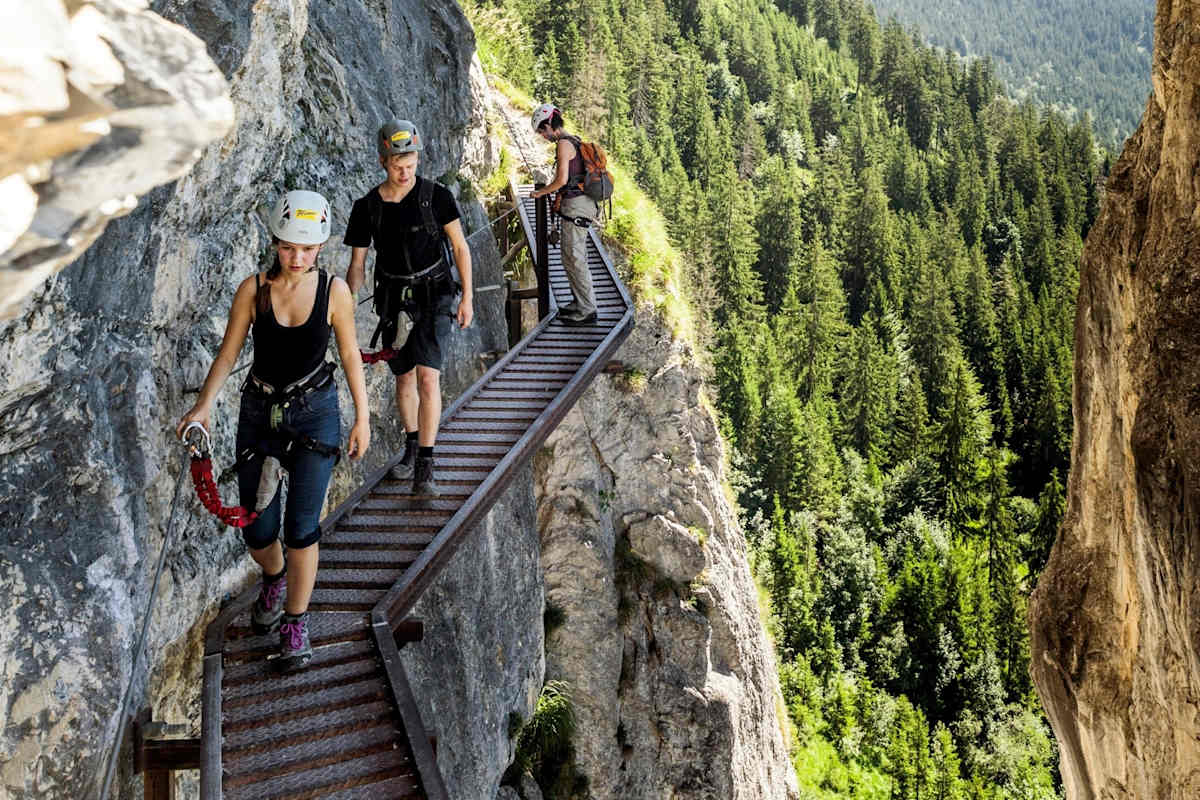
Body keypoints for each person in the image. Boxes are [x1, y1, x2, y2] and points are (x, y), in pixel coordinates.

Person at [177, 189, 370, 673]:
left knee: (301, 529)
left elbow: (349, 356)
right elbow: (227, 353)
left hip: (314, 412)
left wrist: (362, 416)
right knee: (260, 532)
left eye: (306, 249)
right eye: (288, 247)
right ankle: (275, 575)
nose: (297, 257)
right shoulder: (254, 290)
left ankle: (295, 624)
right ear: (275, 241)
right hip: (260, 412)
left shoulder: (334, 292)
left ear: (321, 247)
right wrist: (203, 407)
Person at [345, 118, 473, 495]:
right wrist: (346, 306)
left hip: (436, 294)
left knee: (427, 376)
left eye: (412, 164)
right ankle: (412, 444)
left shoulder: (437, 196)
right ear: (384, 161)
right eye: (399, 165)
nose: (406, 172)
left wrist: (468, 296)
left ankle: (425, 466)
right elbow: (357, 266)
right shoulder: (366, 207)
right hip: (394, 300)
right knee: (403, 377)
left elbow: (460, 246)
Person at [529, 102, 598, 326]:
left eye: (542, 130)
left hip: (576, 206)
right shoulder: (575, 140)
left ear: (550, 124)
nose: (542, 135)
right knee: (570, 257)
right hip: (581, 204)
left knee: (575, 258)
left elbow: (561, 180)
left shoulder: (563, 145)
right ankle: (579, 303)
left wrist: (541, 193)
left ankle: (587, 309)